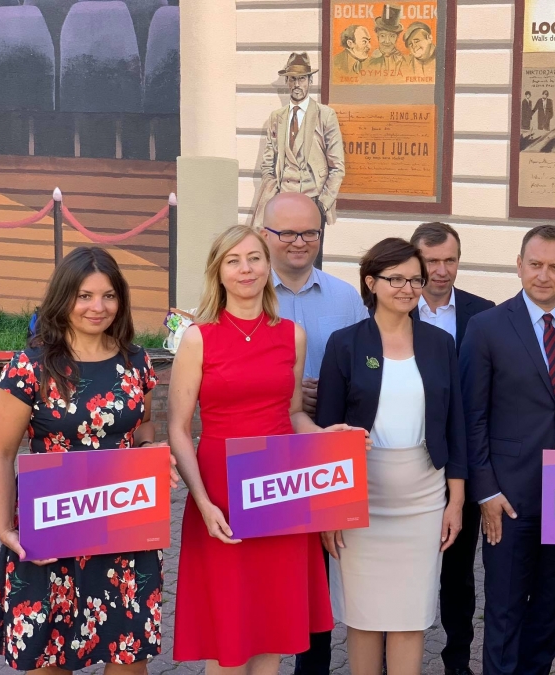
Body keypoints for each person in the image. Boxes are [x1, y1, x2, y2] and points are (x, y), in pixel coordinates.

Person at [170, 225, 360, 672]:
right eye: (233, 260)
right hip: (220, 493)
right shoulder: (198, 337)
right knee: (229, 634)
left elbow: (292, 414)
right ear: (218, 271)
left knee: (271, 631)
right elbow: (178, 429)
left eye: (254, 258)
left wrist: (324, 436)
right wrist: (203, 502)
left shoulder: (293, 335)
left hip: (278, 490)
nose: (246, 269)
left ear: (266, 265)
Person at [0, 246, 174, 672]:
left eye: (108, 296)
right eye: (84, 296)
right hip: (53, 526)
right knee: (49, 659)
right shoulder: (29, 367)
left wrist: (149, 449)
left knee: (128, 657)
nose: (97, 307)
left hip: (124, 524)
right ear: (63, 297)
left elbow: (143, 426)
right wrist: (5, 528)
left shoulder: (136, 361)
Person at [459, 225, 555, 675]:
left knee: (549, 612)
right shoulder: (486, 326)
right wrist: (486, 491)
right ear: (519, 265)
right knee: (504, 612)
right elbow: (473, 416)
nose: (544, 275)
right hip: (507, 497)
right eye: (535, 264)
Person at [317, 237, 468, 675]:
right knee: (363, 616)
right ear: (371, 282)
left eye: (415, 280)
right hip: (359, 498)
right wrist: (328, 509)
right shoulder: (344, 344)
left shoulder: (440, 343)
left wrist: (456, 500)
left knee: (410, 616)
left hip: (424, 499)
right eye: (396, 279)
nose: (408, 288)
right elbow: (326, 432)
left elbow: (455, 424)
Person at [259, 194, 368, 674]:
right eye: (287, 232)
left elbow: (367, 370)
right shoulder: (246, 293)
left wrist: (332, 392)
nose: (299, 242)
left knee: (319, 573)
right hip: (264, 450)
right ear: (265, 235)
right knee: (266, 571)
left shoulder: (347, 298)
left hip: (325, 449)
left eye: (310, 232)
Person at [410, 222, 495, 675]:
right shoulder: (392, 309)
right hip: (406, 462)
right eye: (431, 261)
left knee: (458, 574)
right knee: (405, 569)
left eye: (450, 260)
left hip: (464, 459)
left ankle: (457, 661)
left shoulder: (485, 314)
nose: (441, 271)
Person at [251, 51, 345, 266]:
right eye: (292, 79)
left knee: (310, 264)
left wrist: (322, 205)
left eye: (301, 78)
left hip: (313, 201)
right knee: (281, 262)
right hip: (283, 204)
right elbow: (268, 163)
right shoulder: (277, 117)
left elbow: (338, 167)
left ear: (310, 81)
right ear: (286, 81)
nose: (296, 84)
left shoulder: (325, 115)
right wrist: (274, 196)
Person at [366, 5, 406, 76]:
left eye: (392, 36)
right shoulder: (369, 60)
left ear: (397, 38)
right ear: (377, 36)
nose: (387, 41)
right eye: (382, 36)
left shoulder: (403, 61)